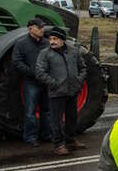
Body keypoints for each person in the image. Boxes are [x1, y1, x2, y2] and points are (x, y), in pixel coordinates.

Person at [35, 27, 86, 156]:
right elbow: (40, 72)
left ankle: (70, 140)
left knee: (72, 118)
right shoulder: (45, 54)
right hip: (56, 93)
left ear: (62, 40)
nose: (52, 41)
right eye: (51, 39)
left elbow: (83, 68)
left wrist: (78, 81)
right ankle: (58, 144)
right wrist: (54, 84)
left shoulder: (73, 52)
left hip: (72, 91)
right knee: (56, 120)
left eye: (55, 39)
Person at [12, 18, 52, 146]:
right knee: (30, 111)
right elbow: (17, 62)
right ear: (30, 29)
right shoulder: (21, 44)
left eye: (42, 27)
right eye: (39, 27)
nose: (42, 30)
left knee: (47, 111)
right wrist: (33, 73)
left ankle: (47, 135)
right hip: (31, 82)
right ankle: (31, 138)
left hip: (46, 82)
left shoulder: (47, 43)